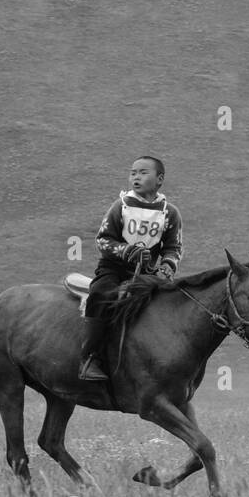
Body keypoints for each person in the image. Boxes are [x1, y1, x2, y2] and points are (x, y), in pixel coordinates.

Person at [79, 155, 183, 381]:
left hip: (146, 275)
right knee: (101, 295)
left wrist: (167, 265)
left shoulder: (170, 213)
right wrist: (127, 251)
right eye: (133, 172)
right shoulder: (121, 206)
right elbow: (103, 240)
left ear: (159, 179)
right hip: (113, 270)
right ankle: (90, 358)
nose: (136, 177)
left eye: (143, 172)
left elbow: (173, 247)